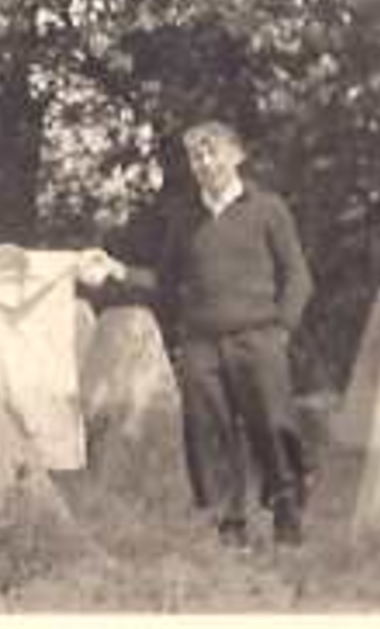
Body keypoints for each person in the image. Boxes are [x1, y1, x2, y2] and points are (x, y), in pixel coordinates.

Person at [112, 120, 313, 548]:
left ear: (237, 155)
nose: (204, 163)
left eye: (212, 152)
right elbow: (165, 282)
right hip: (201, 343)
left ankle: (287, 513)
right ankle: (230, 526)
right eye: (196, 156)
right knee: (209, 432)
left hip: (259, 338)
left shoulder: (268, 208)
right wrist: (117, 271)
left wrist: (282, 329)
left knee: (274, 426)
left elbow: (298, 276)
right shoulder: (185, 218)